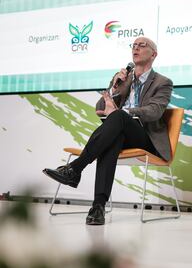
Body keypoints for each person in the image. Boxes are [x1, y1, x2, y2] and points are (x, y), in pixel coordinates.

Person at [43, 37, 173, 225]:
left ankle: (75, 168)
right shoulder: (121, 78)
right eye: (134, 45)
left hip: (144, 137)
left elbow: (154, 111)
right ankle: (98, 207)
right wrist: (113, 89)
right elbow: (100, 107)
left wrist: (123, 112)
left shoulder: (162, 82)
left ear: (153, 54)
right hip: (119, 132)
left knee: (119, 118)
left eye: (141, 45)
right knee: (113, 139)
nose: (136, 48)